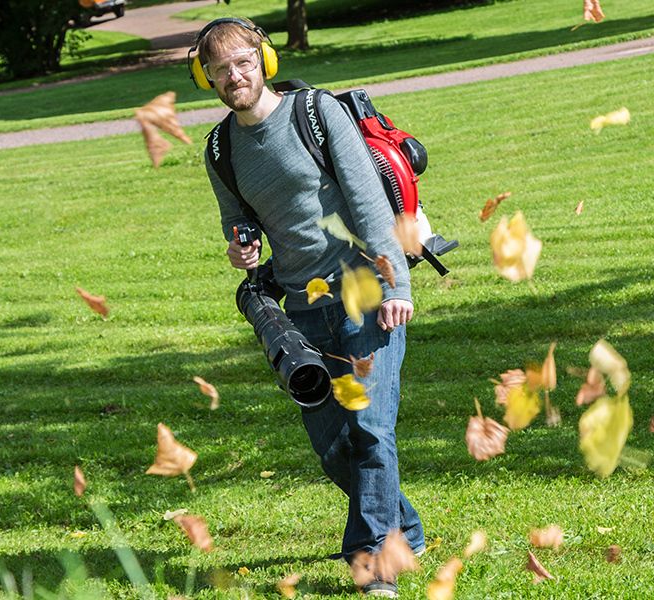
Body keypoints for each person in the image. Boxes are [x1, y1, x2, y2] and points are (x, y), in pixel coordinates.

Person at [193, 17, 425, 597]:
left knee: (370, 428)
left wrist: (396, 285)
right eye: (219, 69)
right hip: (300, 310)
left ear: (263, 61)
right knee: (332, 448)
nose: (233, 76)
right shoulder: (220, 149)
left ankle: (375, 562)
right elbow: (237, 221)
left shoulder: (316, 112)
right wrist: (241, 244)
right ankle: (407, 532)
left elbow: (369, 201)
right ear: (208, 78)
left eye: (242, 62)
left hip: (363, 289)